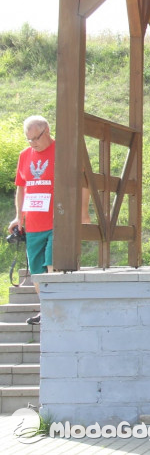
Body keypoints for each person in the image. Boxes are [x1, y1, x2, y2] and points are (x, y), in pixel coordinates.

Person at [8, 116, 56, 325]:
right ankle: (46, 309)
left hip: (57, 220)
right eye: (29, 139)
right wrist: (19, 216)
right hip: (34, 222)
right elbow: (21, 187)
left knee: (52, 263)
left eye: (36, 137)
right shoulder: (24, 155)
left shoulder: (62, 150)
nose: (33, 143)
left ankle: (56, 308)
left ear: (47, 130)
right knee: (37, 270)